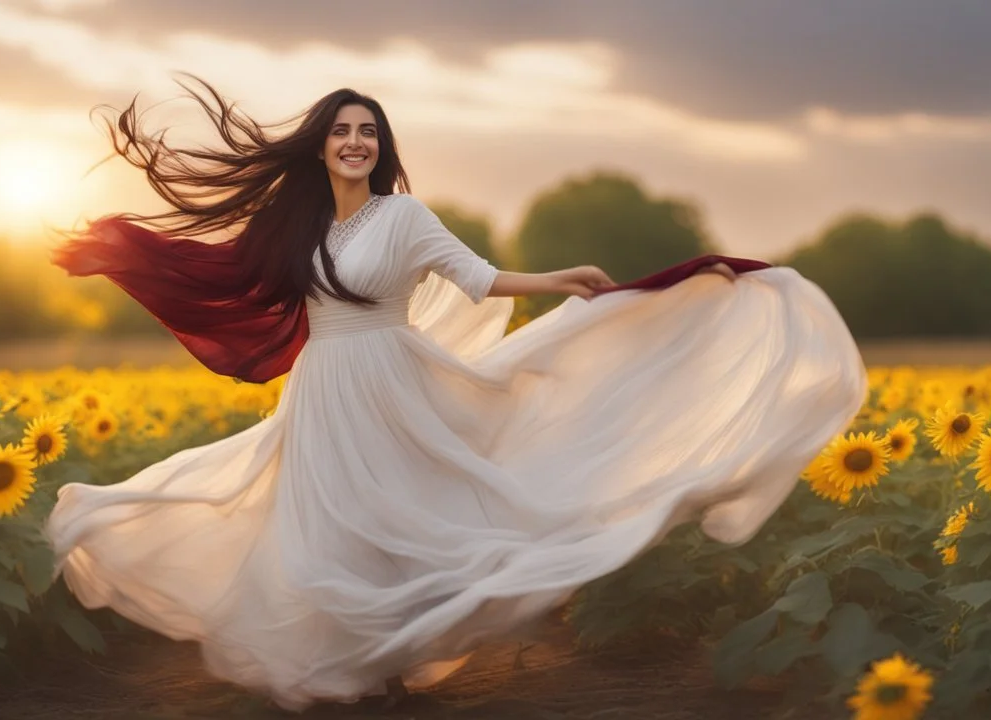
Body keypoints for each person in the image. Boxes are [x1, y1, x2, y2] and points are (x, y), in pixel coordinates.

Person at [45, 75, 867, 712]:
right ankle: (347, 671)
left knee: (392, 518)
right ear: (321, 146)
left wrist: (564, 280)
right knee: (325, 524)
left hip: (392, 381)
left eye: (370, 132)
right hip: (322, 388)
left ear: (383, 146)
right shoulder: (296, 226)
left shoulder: (403, 218)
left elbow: (475, 277)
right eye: (343, 131)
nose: (357, 142)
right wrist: (124, 255)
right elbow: (226, 274)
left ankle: (382, 666)